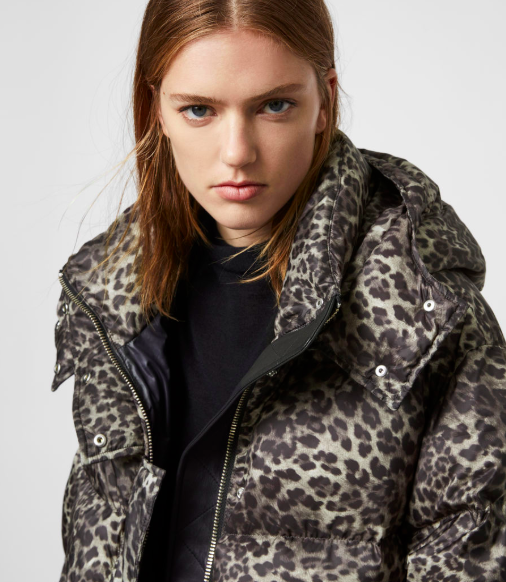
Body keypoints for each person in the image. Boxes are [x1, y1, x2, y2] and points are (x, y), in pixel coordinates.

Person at [51, 0, 506, 581]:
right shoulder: (112, 301)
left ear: (324, 102)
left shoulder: (420, 310)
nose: (237, 152)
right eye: (198, 110)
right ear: (155, 109)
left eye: (274, 105)